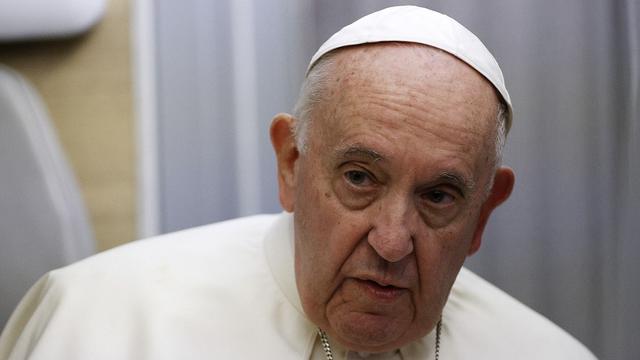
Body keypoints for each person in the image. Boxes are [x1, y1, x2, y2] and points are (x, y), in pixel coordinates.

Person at [0, 6, 596, 360]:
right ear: (291, 164)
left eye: (438, 196)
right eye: (360, 178)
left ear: (483, 214)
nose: (392, 243)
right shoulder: (102, 326)